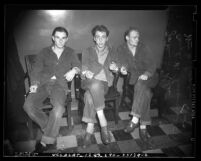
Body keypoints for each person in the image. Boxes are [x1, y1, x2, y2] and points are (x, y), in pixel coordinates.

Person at [23, 26, 81, 153]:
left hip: (59, 85)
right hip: (42, 84)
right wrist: (34, 83)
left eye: (63, 38)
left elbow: (78, 65)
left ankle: (46, 141)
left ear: (67, 39)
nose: (60, 41)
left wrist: (73, 70)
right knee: (28, 106)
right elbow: (36, 69)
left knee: (59, 108)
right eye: (57, 37)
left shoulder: (70, 52)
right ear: (53, 38)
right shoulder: (44, 52)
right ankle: (49, 127)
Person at [117, 27, 158, 145]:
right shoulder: (121, 49)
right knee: (147, 94)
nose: (137, 39)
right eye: (134, 37)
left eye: (138, 37)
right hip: (135, 79)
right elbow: (121, 63)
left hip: (150, 77)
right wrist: (123, 69)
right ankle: (143, 128)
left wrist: (146, 74)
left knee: (141, 84)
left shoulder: (143, 47)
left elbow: (152, 64)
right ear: (127, 38)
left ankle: (134, 119)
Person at [81, 25, 119, 148]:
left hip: (104, 84)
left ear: (107, 38)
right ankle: (103, 123)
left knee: (89, 96)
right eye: (98, 37)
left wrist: (115, 68)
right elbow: (84, 67)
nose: (100, 40)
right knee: (94, 84)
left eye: (103, 37)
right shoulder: (87, 51)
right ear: (94, 38)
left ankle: (89, 129)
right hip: (89, 81)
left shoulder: (113, 51)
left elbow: (117, 67)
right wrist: (86, 72)